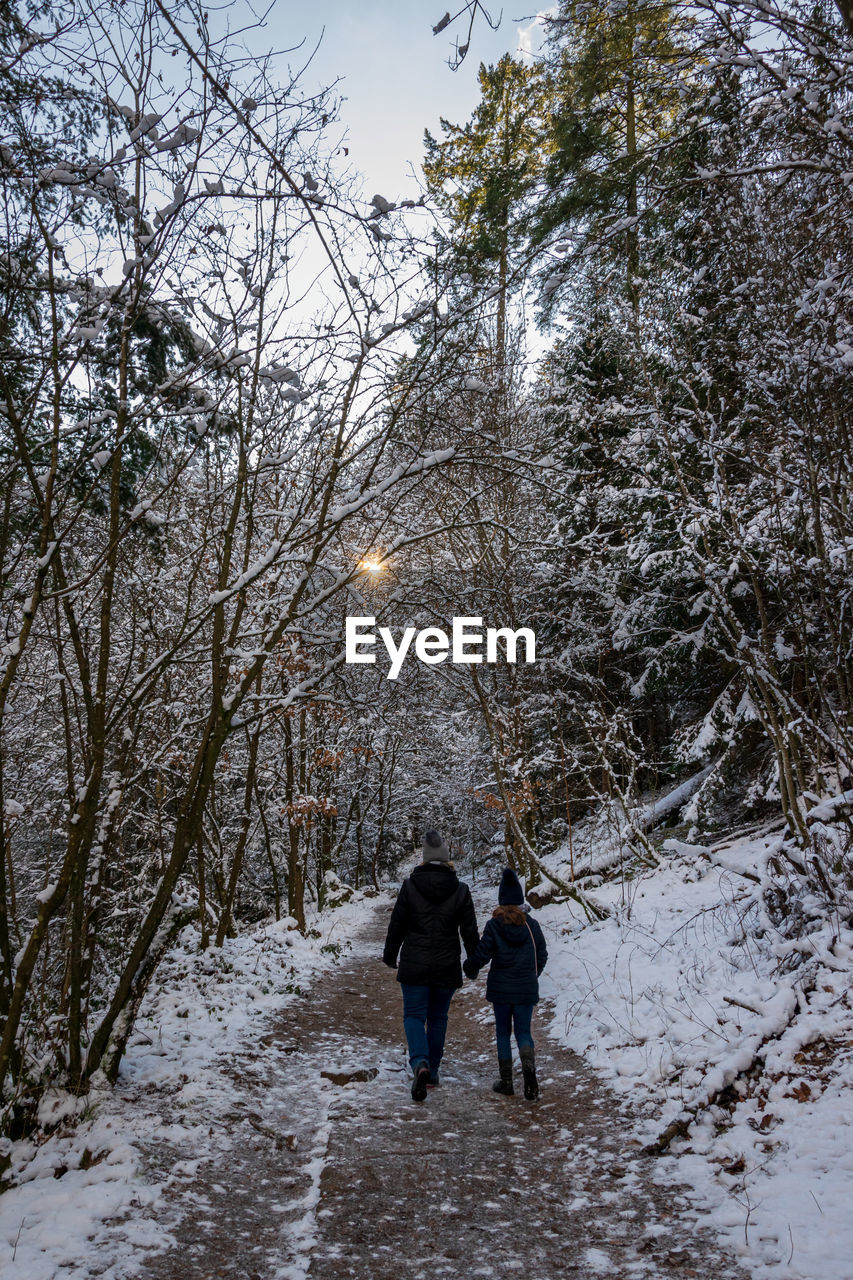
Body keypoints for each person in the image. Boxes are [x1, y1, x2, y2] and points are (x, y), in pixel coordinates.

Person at [383, 829, 479, 1102]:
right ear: (446, 857)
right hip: (446, 966)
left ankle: (420, 1063)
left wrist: (390, 955)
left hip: (414, 964)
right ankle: (433, 1071)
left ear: (424, 858)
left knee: (414, 1016)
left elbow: (397, 925)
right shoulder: (460, 890)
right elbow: (470, 932)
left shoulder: (410, 886)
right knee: (438, 1018)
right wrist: (472, 962)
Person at [463, 867, 548, 1100]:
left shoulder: (494, 926)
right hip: (525, 989)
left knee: (503, 1033)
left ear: (501, 899)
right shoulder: (531, 925)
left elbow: (482, 954)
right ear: (520, 898)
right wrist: (532, 976)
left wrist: (469, 968)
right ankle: (530, 1074)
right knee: (523, 1032)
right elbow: (541, 955)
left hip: (501, 990)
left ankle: (507, 1082)